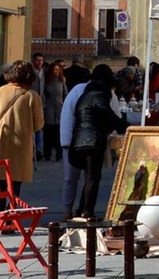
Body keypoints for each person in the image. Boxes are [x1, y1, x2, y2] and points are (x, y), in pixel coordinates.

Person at [69, 64, 128, 219]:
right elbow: (108, 116)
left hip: (79, 140)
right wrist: (126, 125)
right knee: (93, 178)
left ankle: (82, 209)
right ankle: (88, 211)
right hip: (91, 141)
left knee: (89, 178)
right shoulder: (99, 95)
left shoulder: (86, 94)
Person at [0, 59, 45, 198]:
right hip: (22, 141)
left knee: (0, 173)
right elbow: (39, 123)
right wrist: (28, 128)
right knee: (17, 175)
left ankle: (1, 203)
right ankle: (13, 203)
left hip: (0, 138)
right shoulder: (31, 96)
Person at [59, 63, 93, 220]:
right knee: (88, 178)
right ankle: (83, 209)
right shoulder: (89, 92)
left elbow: (66, 117)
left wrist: (65, 141)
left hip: (71, 140)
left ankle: (69, 210)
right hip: (83, 141)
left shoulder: (73, 92)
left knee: (70, 179)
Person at [42, 61, 68, 161]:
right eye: (55, 70)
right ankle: (47, 153)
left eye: (58, 70)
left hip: (59, 109)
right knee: (48, 132)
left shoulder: (62, 81)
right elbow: (43, 93)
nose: (56, 72)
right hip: (49, 108)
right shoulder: (46, 81)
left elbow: (65, 93)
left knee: (58, 133)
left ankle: (59, 153)